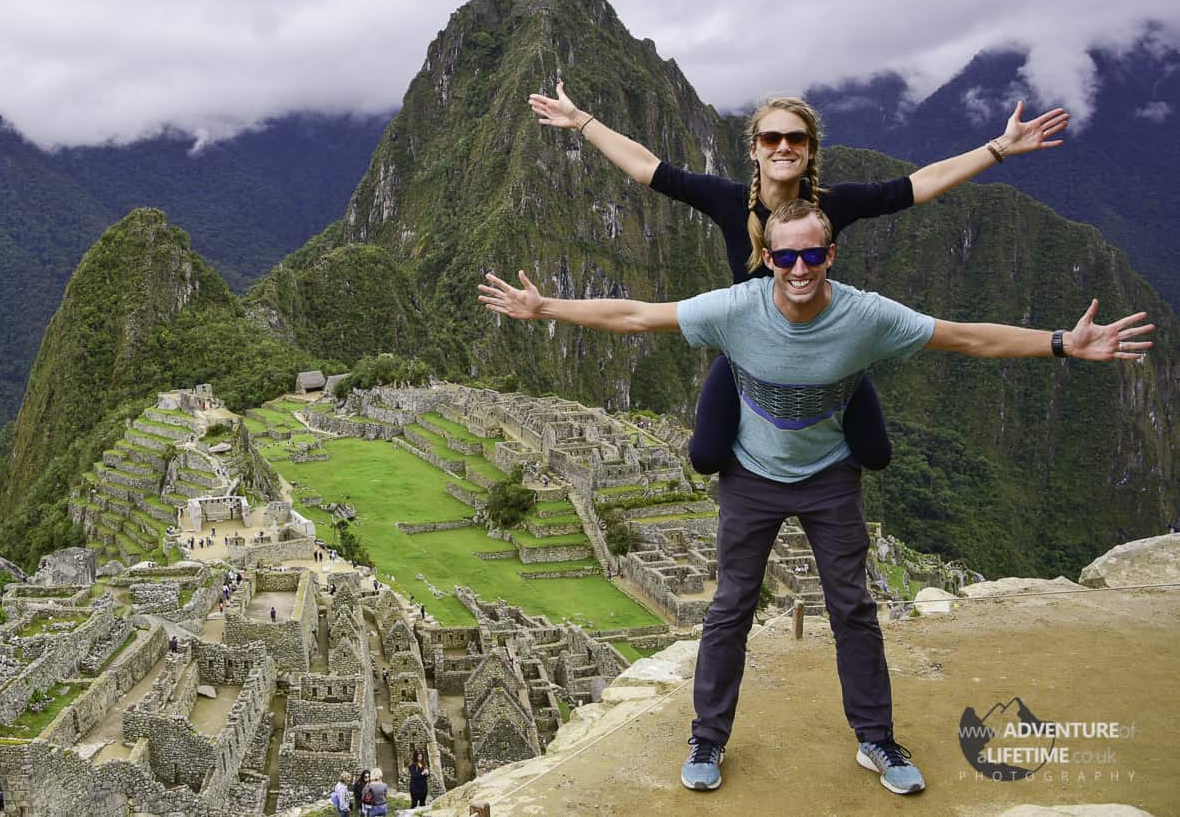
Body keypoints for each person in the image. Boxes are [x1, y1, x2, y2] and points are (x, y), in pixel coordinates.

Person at [479, 199, 1151, 797]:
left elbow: (965, 336)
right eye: (785, 256)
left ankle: (875, 738)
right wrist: (546, 307)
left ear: (829, 254)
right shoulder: (735, 311)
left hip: (830, 476)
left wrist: (1063, 344)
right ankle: (707, 737)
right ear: (766, 257)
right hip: (750, 476)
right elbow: (634, 316)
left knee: (852, 608)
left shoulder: (864, 316)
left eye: (811, 254)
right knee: (729, 607)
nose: (799, 269)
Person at [530, 84, 1070, 474]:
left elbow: (917, 186)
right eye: (771, 138)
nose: (783, 147)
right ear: (755, 148)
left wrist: (998, 149)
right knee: (706, 457)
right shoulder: (725, 199)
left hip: (828, 345)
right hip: (747, 346)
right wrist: (582, 122)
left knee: (876, 456)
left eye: (795, 138)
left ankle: (827, 431)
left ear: (809, 149)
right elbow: (648, 168)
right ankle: (762, 470)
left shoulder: (830, 206)